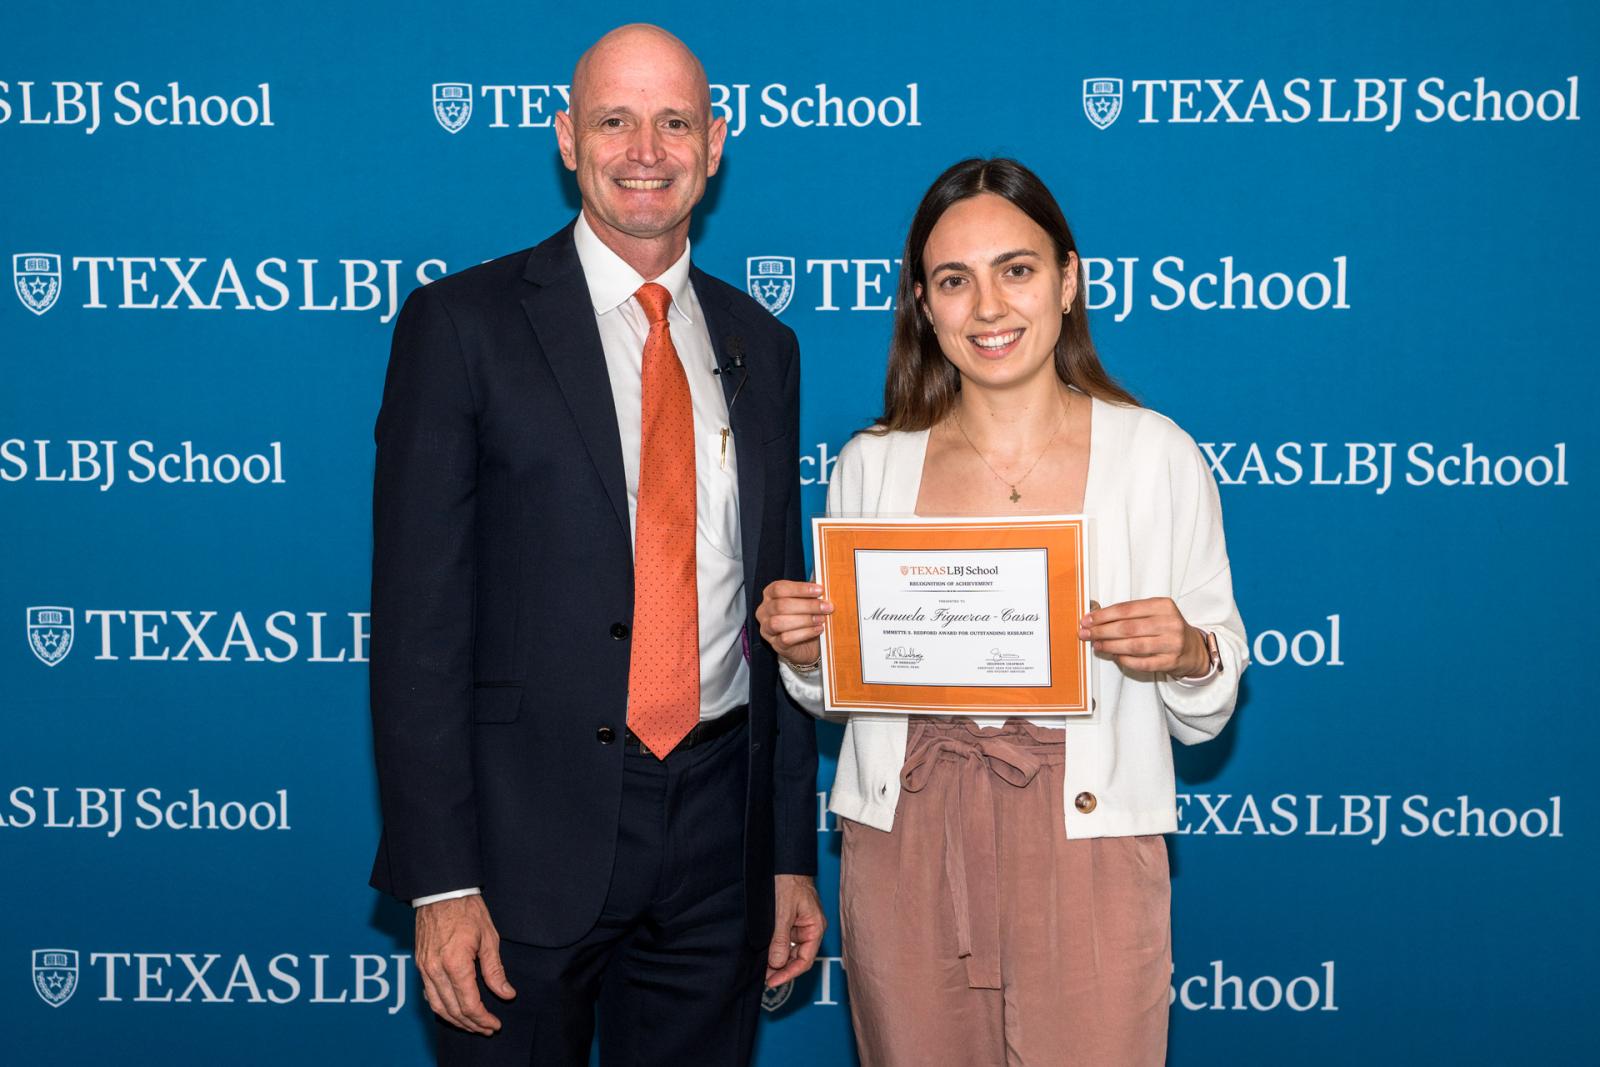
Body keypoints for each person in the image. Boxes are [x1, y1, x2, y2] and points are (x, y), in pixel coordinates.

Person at [369, 24, 824, 1067]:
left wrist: (785, 855)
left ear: (715, 144)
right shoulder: (461, 325)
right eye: (614, 121)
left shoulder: (765, 342)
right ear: (568, 139)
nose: (645, 151)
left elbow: (776, 605)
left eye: (673, 123)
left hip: (720, 835)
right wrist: (442, 880)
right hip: (521, 841)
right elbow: (417, 625)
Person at [756, 158, 1246, 1066]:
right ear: (923, 305)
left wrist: (1185, 653)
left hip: (1090, 840)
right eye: (954, 280)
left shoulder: (1155, 455)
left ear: (1068, 280)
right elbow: (840, 693)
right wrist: (802, 647)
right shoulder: (873, 462)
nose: (987, 306)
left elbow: (1210, 704)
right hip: (903, 841)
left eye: (1015, 270)